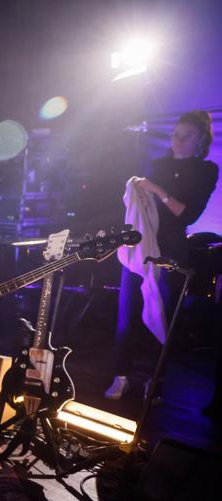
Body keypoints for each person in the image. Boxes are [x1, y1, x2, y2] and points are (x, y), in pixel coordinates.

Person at [105, 110, 218, 400]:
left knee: (162, 315)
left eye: (187, 136)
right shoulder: (157, 164)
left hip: (171, 249)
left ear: (200, 140)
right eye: (175, 134)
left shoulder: (205, 171)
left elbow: (186, 214)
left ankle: (154, 380)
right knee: (127, 311)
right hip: (141, 244)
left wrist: (157, 189)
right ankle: (120, 375)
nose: (179, 140)